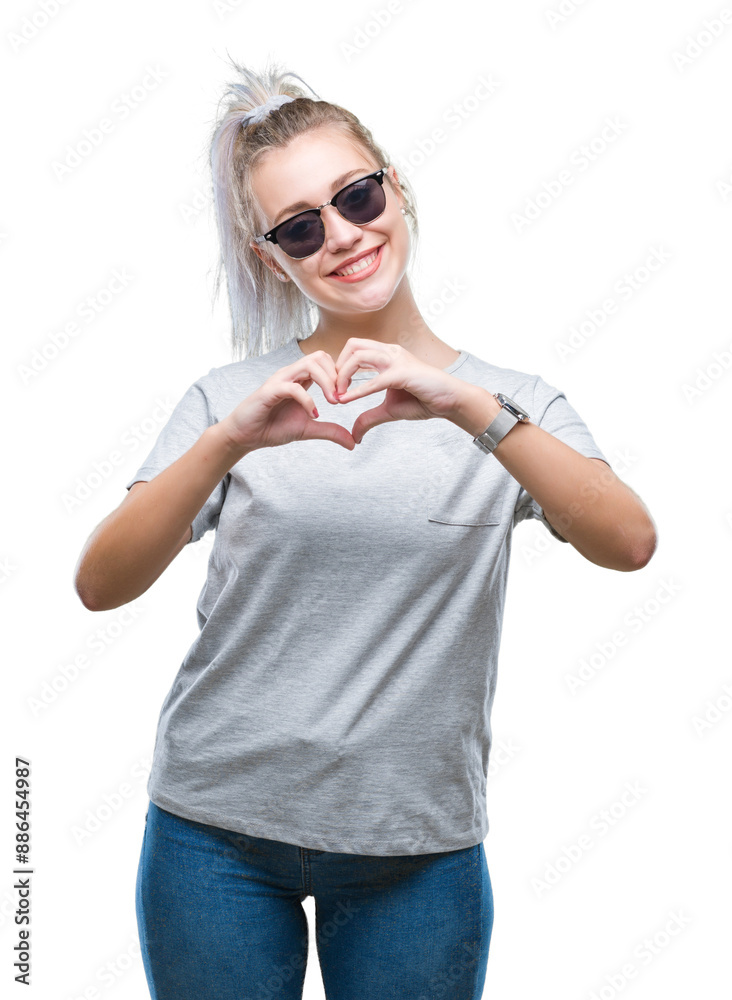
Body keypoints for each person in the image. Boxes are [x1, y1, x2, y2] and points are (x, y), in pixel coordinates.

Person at [73, 59, 657, 1000]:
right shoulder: (234, 402)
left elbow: (628, 542)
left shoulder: (508, 406)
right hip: (214, 842)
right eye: (301, 228)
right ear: (274, 257)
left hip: (414, 855)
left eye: (356, 196)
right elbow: (100, 582)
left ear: (395, 186)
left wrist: (473, 410)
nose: (341, 236)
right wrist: (227, 443)